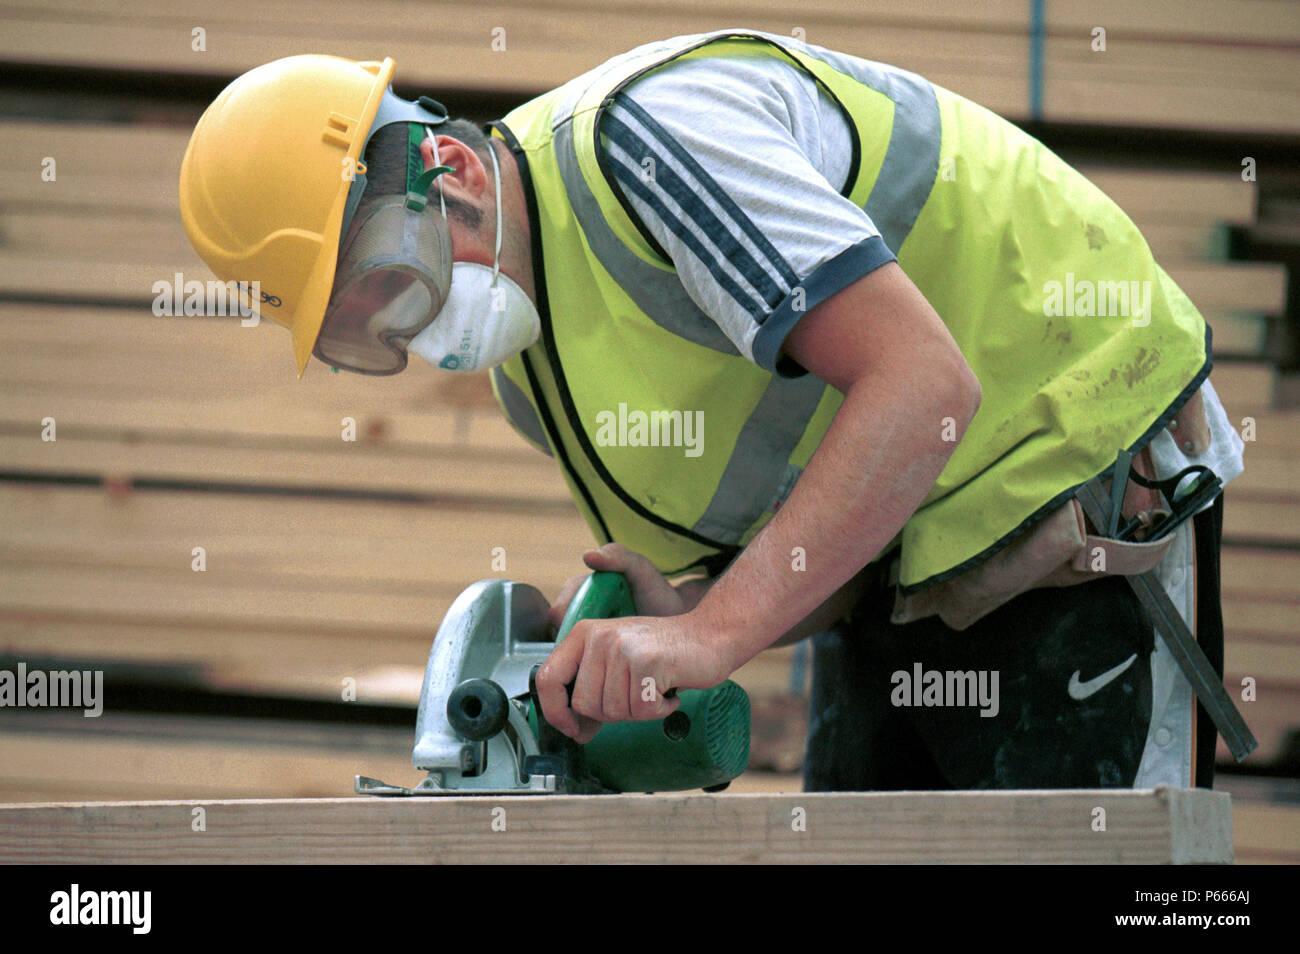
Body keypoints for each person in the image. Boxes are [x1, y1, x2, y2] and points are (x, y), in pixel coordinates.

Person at [179, 28, 1251, 792]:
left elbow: (922, 387)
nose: (413, 329)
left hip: (1074, 469)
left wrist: (713, 633)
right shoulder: (531, 375)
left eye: (389, 279)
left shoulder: (650, 143)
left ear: (444, 167)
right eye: (369, 324)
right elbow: (770, 560)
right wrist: (659, 616)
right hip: (905, 562)